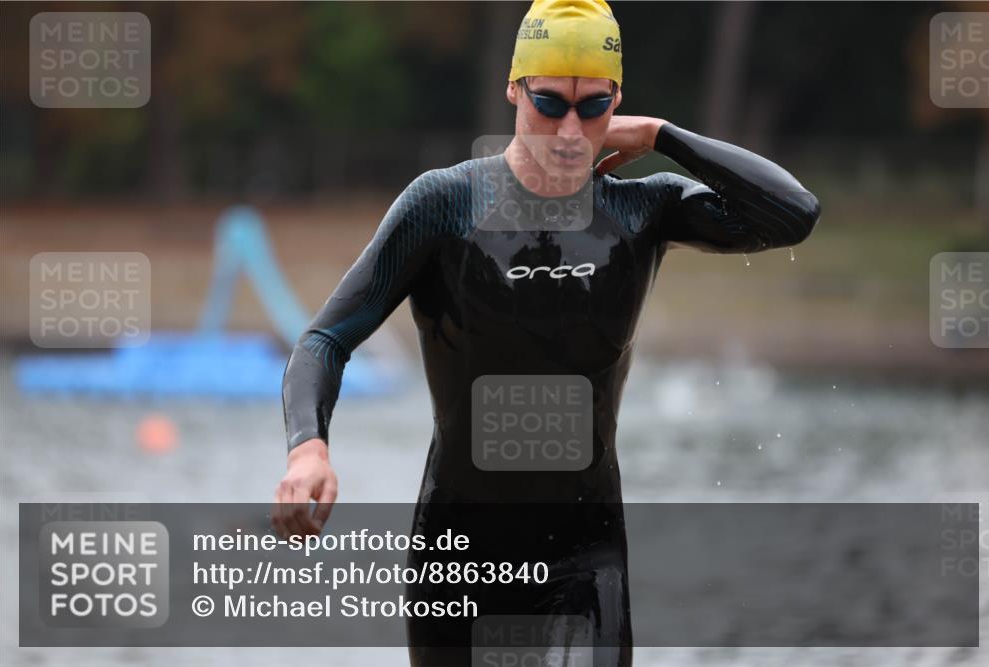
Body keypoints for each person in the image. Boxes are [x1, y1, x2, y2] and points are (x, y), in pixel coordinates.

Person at [273, 0, 820, 664]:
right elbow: (325, 340)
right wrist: (309, 449)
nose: (568, 129)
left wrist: (662, 137)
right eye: (548, 103)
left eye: (593, 107)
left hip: (584, 562)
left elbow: (792, 213)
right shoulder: (445, 205)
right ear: (514, 89)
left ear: (618, 102)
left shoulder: (640, 209)